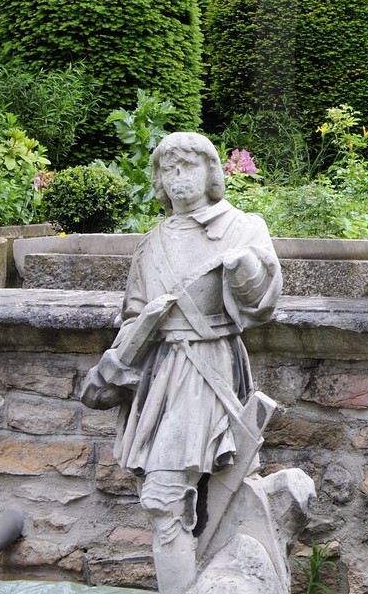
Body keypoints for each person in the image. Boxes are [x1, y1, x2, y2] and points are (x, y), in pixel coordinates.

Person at [81, 131, 282, 594]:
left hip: (208, 368)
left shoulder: (241, 227)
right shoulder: (152, 242)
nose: (178, 179)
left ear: (211, 173)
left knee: (165, 498)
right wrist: (134, 339)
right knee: (191, 499)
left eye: (188, 167)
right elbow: (132, 312)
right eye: (169, 170)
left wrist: (243, 268)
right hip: (159, 376)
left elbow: (263, 303)